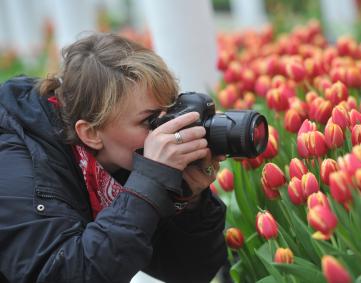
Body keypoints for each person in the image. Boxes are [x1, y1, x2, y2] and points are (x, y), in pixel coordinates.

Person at [0, 32, 227, 283]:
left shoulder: (120, 154)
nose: (165, 131)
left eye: (170, 112)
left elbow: (186, 273)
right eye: (150, 120)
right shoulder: (17, 167)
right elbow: (62, 274)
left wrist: (188, 202)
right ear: (90, 133)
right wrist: (147, 185)